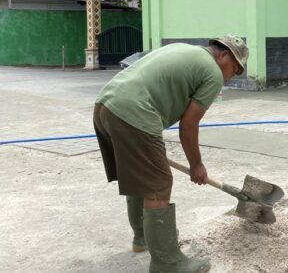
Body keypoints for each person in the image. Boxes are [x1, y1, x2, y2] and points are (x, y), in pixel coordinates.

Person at [93, 35, 248, 273]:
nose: (230, 77)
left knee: (138, 174)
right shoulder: (213, 73)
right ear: (224, 54)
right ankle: (167, 263)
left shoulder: (182, 49)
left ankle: (143, 237)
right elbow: (188, 125)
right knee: (158, 182)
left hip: (105, 105)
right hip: (135, 112)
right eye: (234, 69)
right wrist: (197, 165)